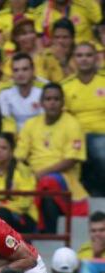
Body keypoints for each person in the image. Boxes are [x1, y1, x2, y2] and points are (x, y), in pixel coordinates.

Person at [15, 82, 88, 233]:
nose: (52, 103)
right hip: (33, 177)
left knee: (48, 183)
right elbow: (19, 156)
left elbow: (72, 159)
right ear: (41, 102)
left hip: (64, 178)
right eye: (48, 99)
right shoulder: (31, 124)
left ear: (62, 102)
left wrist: (42, 173)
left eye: (56, 99)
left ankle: (49, 234)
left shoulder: (72, 123)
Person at [62, 42, 105, 196]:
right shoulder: (66, 86)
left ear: (96, 58)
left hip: (102, 135)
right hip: (75, 137)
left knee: (99, 146)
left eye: (88, 55)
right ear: (74, 59)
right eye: (79, 55)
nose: (84, 59)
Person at [0, 132, 38, 233]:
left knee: (1, 214)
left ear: (12, 151)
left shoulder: (23, 172)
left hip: (23, 217)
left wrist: (0, 204)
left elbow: (24, 203)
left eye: (4, 148)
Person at [4, 18, 62, 82]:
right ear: (16, 38)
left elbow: (58, 80)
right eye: (24, 34)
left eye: (31, 32)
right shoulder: (11, 61)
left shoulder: (47, 56)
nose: (29, 36)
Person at [0, 52, 44, 131]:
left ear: (33, 70)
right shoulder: (4, 92)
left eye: (25, 69)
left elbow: (45, 120)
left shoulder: (44, 90)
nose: (20, 74)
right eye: (16, 70)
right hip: (14, 137)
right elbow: (7, 122)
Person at [35, 0, 101, 44]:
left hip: (85, 55)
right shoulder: (41, 12)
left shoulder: (85, 4)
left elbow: (100, 21)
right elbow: (39, 42)